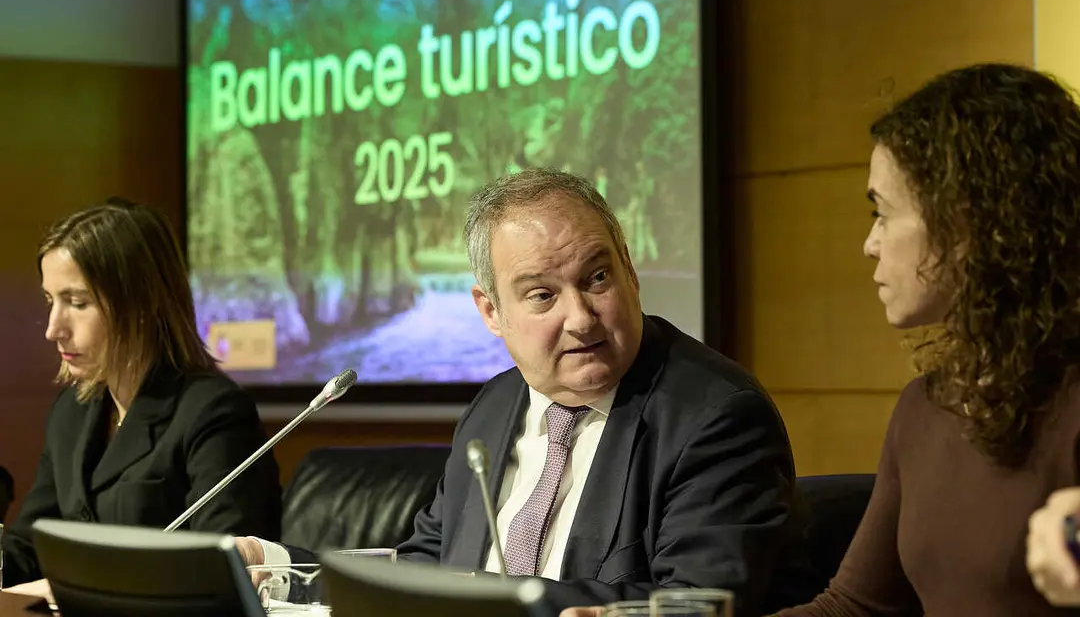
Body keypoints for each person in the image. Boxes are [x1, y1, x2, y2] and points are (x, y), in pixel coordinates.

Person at [240, 168, 813, 615]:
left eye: (597, 278)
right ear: (490, 311)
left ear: (630, 271)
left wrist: (487, 607)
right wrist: (284, 567)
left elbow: (696, 603)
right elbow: (430, 568)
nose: (582, 318)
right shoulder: (493, 409)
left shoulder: (715, 418)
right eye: (542, 295)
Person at [736, 62, 1080, 617]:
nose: (870, 244)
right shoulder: (924, 407)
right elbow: (855, 606)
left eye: (883, 213)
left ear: (969, 224)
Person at [0, 198, 282, 593]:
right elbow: (30, 547)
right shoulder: (72, 412)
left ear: (142, 304)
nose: (53, 328)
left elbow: (225, 567)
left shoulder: (214, 413)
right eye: (51, 301)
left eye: (77, 303)